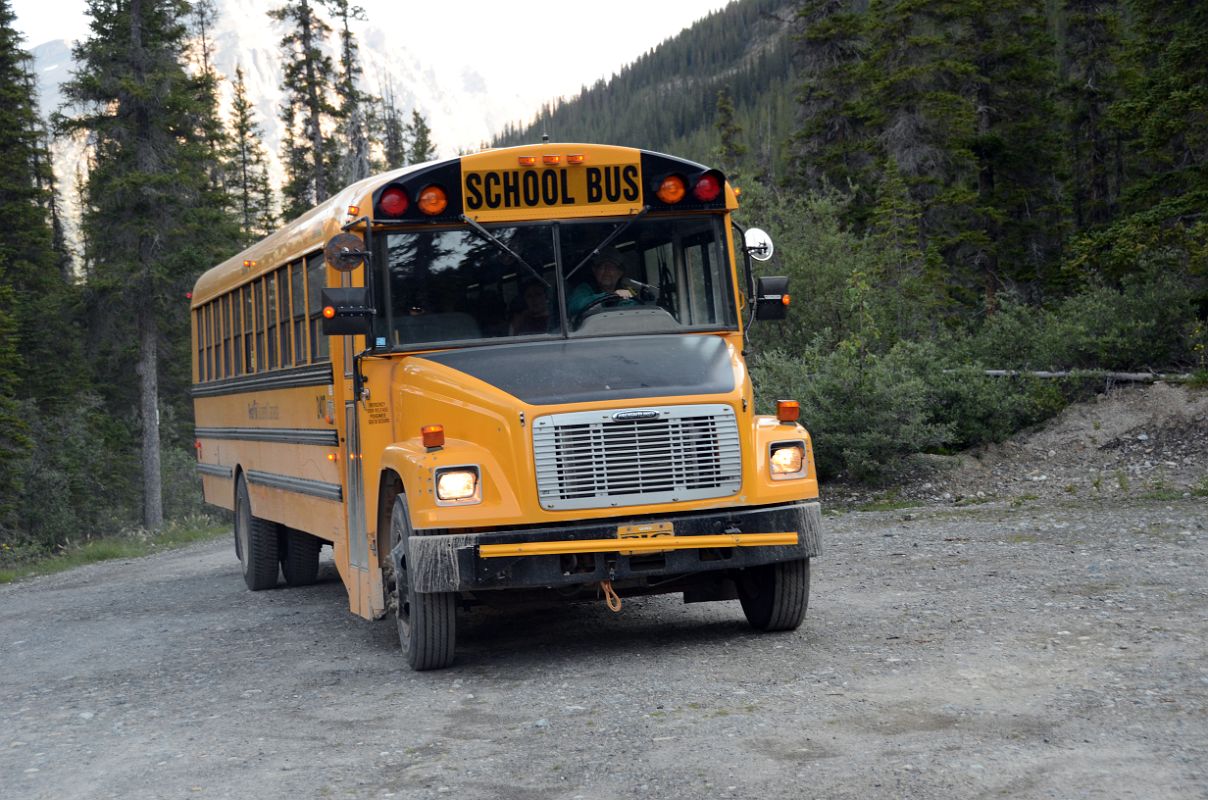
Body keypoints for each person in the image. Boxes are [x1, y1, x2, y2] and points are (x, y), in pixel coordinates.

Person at [566, 246, 639, 320]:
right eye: (602, 266)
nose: (606, 271)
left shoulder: (628, 288)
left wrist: (624, 301)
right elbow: (574, 306)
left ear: (620, 272)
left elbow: (637, 307)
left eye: (611, 267)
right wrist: (611, 296)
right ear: (594, 270)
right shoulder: (584, 288)